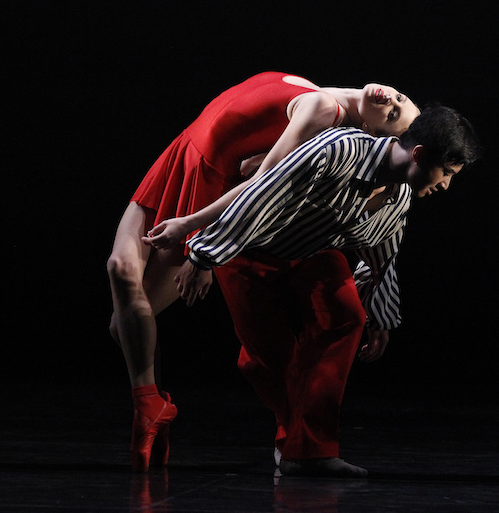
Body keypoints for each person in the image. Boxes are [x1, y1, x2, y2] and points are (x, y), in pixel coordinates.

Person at [107, 72, 420, 472]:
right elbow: (257, 161)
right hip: (184, 152)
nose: (391, 100)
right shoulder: (318, 96)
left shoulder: (325, 111)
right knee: (120, 280)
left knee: (133, 318)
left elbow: (260, 183)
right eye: (400, 99)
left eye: (393, 114)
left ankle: (149, 405)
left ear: (371, 132)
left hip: (210, 185)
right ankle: (153, 403)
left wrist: (203, 245)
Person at [170, 106, 480, 478]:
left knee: (347, 317)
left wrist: (380, 315)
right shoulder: (339, 150)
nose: (445, 185)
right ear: (417, 154)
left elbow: (384, 251)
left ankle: (310, 451)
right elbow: (260, 194)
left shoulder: (399, 197)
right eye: (446, 172)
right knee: (268, 359)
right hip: (249, 247)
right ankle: (297, 443)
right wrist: (203, 256)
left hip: (312, 251)